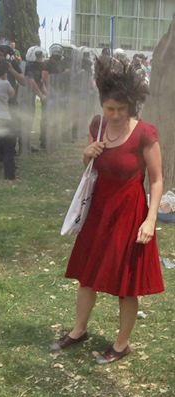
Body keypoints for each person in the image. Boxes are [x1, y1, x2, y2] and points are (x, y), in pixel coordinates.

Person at [53, 59, 163, 365]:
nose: (114, 114)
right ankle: (78, 331)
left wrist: (150, 219)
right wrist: (86, 153)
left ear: (131, 106)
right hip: (99, 210)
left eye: (121, 109)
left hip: (130, 212)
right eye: (109, 108)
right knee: (86, 277)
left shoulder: (144, 132)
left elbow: (156, 179)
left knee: (126, 286)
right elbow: (89, 167)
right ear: (102, 104)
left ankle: (122, 343)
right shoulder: (97, 125)